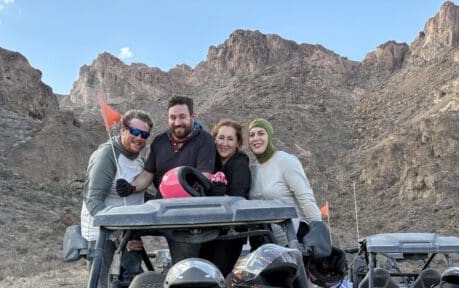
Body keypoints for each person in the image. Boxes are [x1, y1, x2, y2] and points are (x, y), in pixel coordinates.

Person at [116, 96, 216, 264]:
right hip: (160, 211)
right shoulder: (159, 142)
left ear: (192, 116)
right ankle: (130, 277)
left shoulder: (205, 140)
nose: (177, 122)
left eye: (182, 117)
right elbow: (147, 175)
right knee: (126, 232)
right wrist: (130, 187)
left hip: (187, 220)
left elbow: (204, 178)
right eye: (173, 117)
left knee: (184, 270)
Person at [80, 109, 154, 288]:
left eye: (144, 135)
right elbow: (93, 199)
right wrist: (117, 235)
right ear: (123, 129)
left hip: (129, 230)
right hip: (103, 233)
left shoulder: (139, 158)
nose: (139, 138)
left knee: (132, 284)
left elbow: (138, 192)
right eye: (134, 132)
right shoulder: (107, 154)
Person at [247, 118, 330, 257]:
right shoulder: (252, 169)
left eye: (261, 133)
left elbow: (306, 198)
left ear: (270, 136)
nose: (256, 138)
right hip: (265, 245)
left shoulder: (285, 160)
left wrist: (318, 232)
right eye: (252, 135)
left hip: (293, 240)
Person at [198, 119, 251, 276]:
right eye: (221, 138)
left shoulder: (240, 164)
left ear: (237, 143)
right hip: (208, 230)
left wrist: (221, 195)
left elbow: (239, 200)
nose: (224, 143)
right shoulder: (209, 162)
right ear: (214, 139)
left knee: (216, 275)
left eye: (230, 139)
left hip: (231, 233)